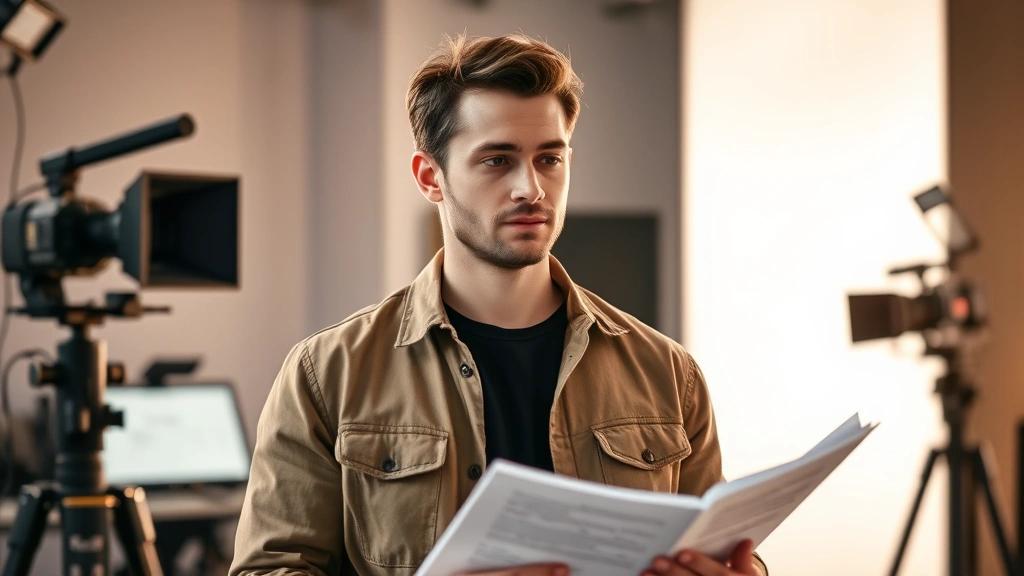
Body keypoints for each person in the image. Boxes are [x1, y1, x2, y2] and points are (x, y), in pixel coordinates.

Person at [229, 32, 768, 576]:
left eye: (549, 159)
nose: (531, 188)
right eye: (496, 160)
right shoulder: (327, 374)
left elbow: (715, 546)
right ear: (430, 177)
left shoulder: (668, 371)